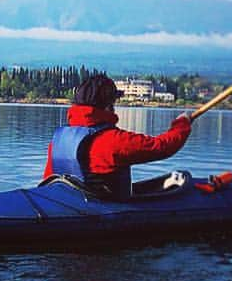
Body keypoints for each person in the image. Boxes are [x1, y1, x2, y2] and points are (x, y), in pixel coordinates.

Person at [42, 73, 192, 201]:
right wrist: (182, 123)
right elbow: (163, 147)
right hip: (101, 210)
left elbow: (48, 181)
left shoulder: (59, 140)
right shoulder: (113, 141)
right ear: (108, 105)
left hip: (65, 203)